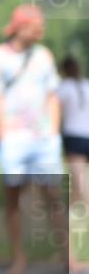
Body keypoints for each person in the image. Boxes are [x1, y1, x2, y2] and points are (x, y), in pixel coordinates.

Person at [0, 4, 75, 274]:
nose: (41, 30)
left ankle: (68, 256)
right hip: (14, 140)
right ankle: (19, 258)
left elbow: (52, 95)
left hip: (43, 139)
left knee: (54, 197)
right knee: (14, 198)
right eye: (37, 25)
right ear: (21, 27)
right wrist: (4, 136)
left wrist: (54, 131)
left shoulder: (43, 56)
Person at [60, 56, 89, 215]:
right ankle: (74, 208)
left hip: (74, 136)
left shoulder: (63, 88)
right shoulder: (86, 85)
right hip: (86, 134)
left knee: (78, 178)